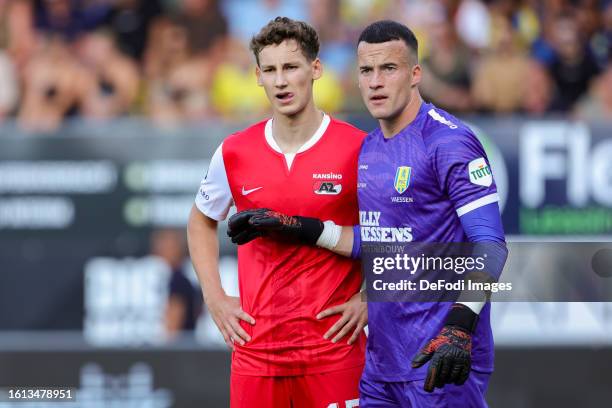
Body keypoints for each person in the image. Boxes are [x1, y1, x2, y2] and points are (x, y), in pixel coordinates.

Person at [230, 20, 507, 407]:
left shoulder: (449, 141)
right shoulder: (370, 148)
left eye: (388, 69)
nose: (375, 81)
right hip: (380, 368)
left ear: (415, 75)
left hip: (440, 360)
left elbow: (491, 246)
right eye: (366, 71)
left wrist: (461, 326)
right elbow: (377, 242)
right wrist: (296, 227)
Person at [187, 17, 367, 408]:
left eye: (291, 67)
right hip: (257, 353)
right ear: (257, 76)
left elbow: (392, 235)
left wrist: (370, 298)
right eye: (270, 70)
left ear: (315, 69)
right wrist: (215, 298)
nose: (281, 81)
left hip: (334, 351)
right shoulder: (235, 151)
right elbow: (200, 220)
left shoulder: (358, 149)